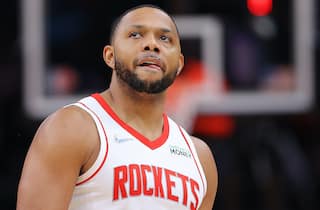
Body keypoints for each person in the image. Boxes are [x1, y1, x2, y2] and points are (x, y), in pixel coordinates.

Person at [17, 4, 218, 210]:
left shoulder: (200, 158)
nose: (152, 45)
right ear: (110, 56)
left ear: (179, 64)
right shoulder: (73, 128)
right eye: (135, 35)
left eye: (164, 38)